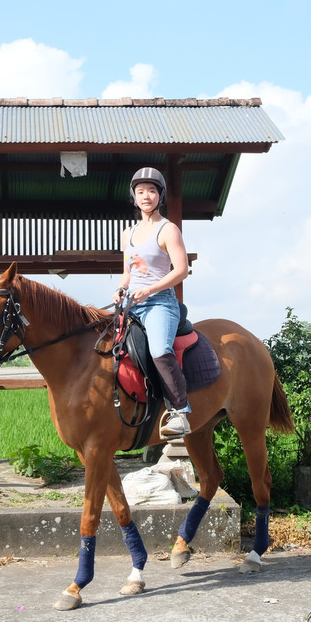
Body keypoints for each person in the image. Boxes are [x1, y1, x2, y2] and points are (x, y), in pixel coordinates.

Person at [113, 167, 193, 439]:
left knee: (160, 350)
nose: (146, 196)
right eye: (140, 192)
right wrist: (120, 289)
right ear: (134, 197)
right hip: (132, 304)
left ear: (160, 195)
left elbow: (181, 270)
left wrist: (150, 290)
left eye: (151, 191)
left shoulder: (168, 229)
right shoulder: (128, 233)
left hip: (159, 303)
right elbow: (128, 272)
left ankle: (180, 412)